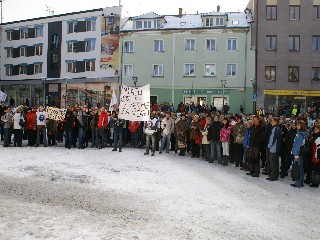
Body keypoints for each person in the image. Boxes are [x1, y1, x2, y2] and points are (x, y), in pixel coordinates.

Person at [291, 120, 307, 188]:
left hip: (298, 153)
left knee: (298, 167)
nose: (297, 126)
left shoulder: (300, 135)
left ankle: (298, 182)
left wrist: (296, 154)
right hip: (299, 153)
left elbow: (297, 145)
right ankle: (301, 181)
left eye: (298, 125)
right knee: (301, 167)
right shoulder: (301, 133)